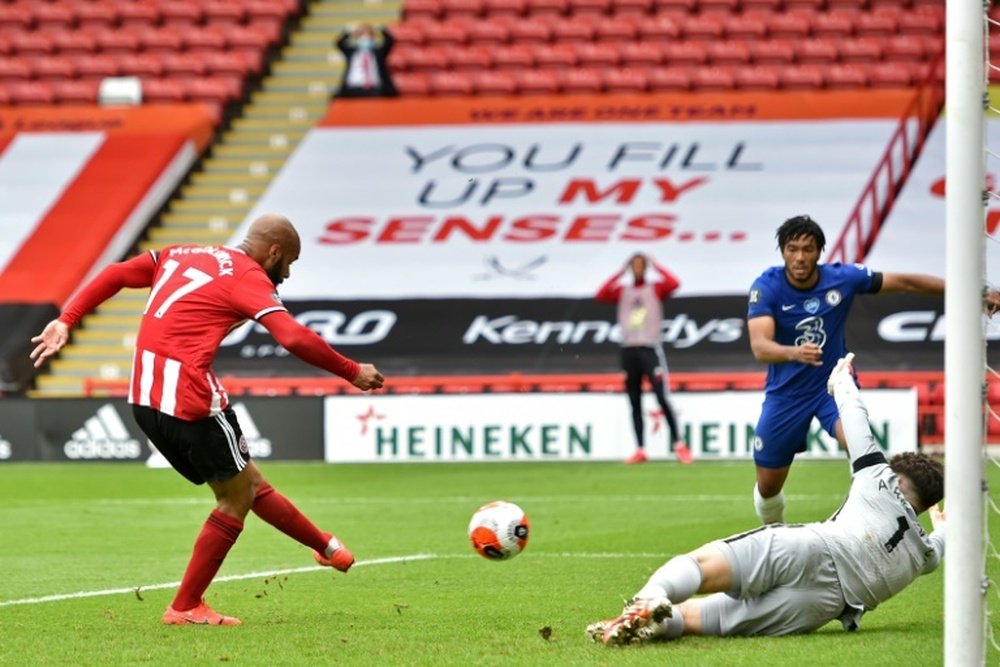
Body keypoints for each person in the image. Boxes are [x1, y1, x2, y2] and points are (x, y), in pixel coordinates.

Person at [29, 214, 385, 626]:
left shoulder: (182, 254)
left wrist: (66, 318)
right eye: (288, 261)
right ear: (273, 252)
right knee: (235, 499)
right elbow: (292, 337)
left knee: (246, 483)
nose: (286, 273)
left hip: (145, 400)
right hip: (190, 399)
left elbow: (116, 273)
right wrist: (352, 371)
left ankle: (326, 548)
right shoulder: (250, 278)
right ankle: (185, 606)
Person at [587, 352, 946, 646]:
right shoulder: (923, 555)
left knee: (701, 565)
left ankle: (647, 600)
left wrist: (842, 380)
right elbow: (939, 549)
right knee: (710, 618)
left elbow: (856, 421)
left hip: (815, 549)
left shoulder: (879, 479)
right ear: (926, 505)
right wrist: (945, 528)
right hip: (823, 606)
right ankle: (652, 626)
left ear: (897, 480)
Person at [747, 214, 1000, 524]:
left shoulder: (842, 278)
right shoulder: (767, 286)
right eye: (792, 249)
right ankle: (775, 533)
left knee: (861, 451)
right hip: (785, 395)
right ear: (783, 251)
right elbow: (760, 347)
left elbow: (906, 282)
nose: (800, 257)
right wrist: (793, 352)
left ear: (819, 252)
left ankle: (873, 528)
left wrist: (971, 291)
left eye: (808, 249)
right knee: (769, 487)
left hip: (834, 385)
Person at [596, 253, 692, 465]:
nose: (638, 269)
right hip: (628, 349)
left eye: (641, 265)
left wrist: (657, 264)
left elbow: (674, 283)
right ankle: (640, 448)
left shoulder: (654, 288)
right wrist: (620, 272)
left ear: (646, 267)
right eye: (634, 266)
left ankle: (679, 444)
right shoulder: (623, 291)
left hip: (649, 348)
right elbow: (601, 294)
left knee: (661, 397)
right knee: (634, 400)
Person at [334, 23, 398, 99]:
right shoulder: (351, 52)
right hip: (352, 89)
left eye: (368, 35)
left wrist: (381, 30)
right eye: (361, 35)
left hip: (376, 89)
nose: (365, 38)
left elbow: (390, 42)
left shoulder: (379, 52)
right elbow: (339, 43)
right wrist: (349, 32)